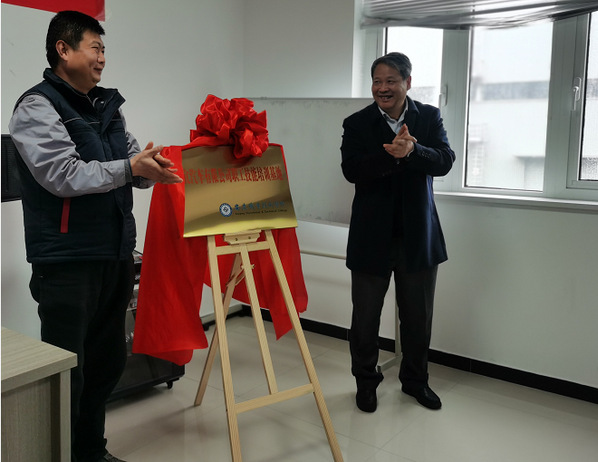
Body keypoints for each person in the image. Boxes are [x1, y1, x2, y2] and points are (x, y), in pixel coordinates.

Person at [8, 10, 182, 462]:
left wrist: (148, 170)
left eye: (104, 49)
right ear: (63, 50)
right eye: (95, 48)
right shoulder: (36, 107)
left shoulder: (108, 106)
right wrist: (129, 168)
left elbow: (129, 160)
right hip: (66, 260)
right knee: (69, 368)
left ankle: (91, 451)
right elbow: (62, 174)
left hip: (114, 253)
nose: (102, 58)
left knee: (107, 363)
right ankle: (60, 454)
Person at [340, 52, 455, 413]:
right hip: (371, 237)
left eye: (391, 80)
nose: (383, 88)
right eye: (377, 81)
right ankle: (365, 382)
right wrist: (393, 155)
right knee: (365, 319)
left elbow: (445, 160)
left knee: (418, 318)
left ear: (407, 82)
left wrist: (414, 150)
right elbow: (351, 170)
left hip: (417, 237)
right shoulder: (356, 123)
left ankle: (416, 381)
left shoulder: (429, 116)